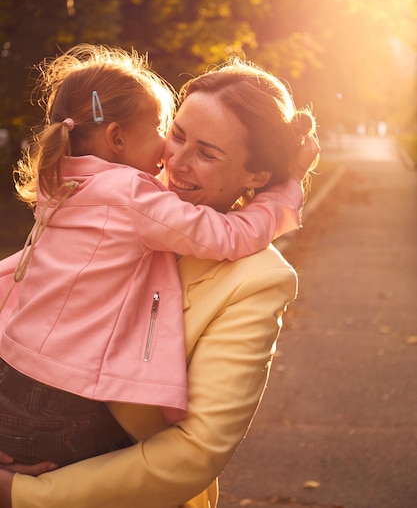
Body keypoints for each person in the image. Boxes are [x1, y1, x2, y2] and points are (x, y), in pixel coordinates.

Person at [0, 57, 320, 508]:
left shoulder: (257, 279)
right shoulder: (124, 200)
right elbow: (15, 303)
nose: (176, 161)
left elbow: (195, 451)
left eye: (207, 153)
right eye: (178, 135)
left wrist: (23, 493)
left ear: (256, 176)